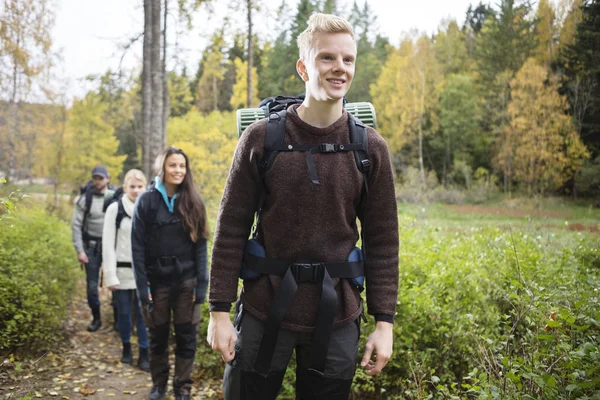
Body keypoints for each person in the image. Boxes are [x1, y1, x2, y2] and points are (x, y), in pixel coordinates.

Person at [207, 13, 399, 400]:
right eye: (327, 58)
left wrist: (384, 323)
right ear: (303, 67)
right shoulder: (261, 139)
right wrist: (219, 313)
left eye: (347, 59)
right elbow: (230, 229)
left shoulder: (369, 148)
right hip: (264, 308)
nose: (339, 68)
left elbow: (383, 242)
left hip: (338, 313)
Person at [131, 147, 209, 400]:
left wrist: (202, 284)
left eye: (182, 166)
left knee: (187, 338)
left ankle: (182, 388)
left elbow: (201, 246)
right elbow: (137, 248)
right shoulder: (147, 201)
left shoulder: (194, 201)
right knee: (158, 337)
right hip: (156, 282)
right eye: (173, 165)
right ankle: (159, 386)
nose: (178, 170)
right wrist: (143, 288)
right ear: (162, 168)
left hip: (187, 282)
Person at [102, 169, 150, 372]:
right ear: (125, 187)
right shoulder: (115, 209)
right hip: (121, 271)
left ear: (145, 187)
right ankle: (126, 349)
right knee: (123, 314)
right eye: (132, 187)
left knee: (143, 315)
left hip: (144, 273)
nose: (136, 191)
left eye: (140, 187)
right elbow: (108, 243)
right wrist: (110, 275)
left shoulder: (149, 207)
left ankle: (145, 353)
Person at [72, 165, 115, 332]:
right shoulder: (85, 199)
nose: (98, 181)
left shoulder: (114, 198)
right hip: (91, 247)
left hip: (112, 246)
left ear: (108, 179)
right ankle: (96, 317)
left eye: (101, 178)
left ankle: (118, 318)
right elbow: (76, 225)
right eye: (95, 178)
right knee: (91, 286)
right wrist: (80, 250)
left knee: (116, 283)